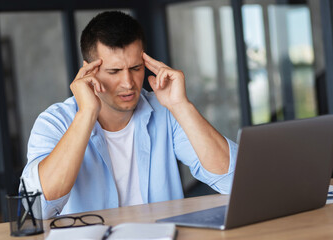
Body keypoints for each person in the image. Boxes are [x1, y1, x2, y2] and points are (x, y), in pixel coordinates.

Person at [21, 11, 238, 219]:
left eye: (135, 68)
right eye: (114, 71)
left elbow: (234, 182)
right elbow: (39, 208)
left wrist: (181, 105)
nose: (128, 83)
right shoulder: (55, 122)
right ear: (88, 71)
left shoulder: (166, 112)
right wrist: (86, 114)